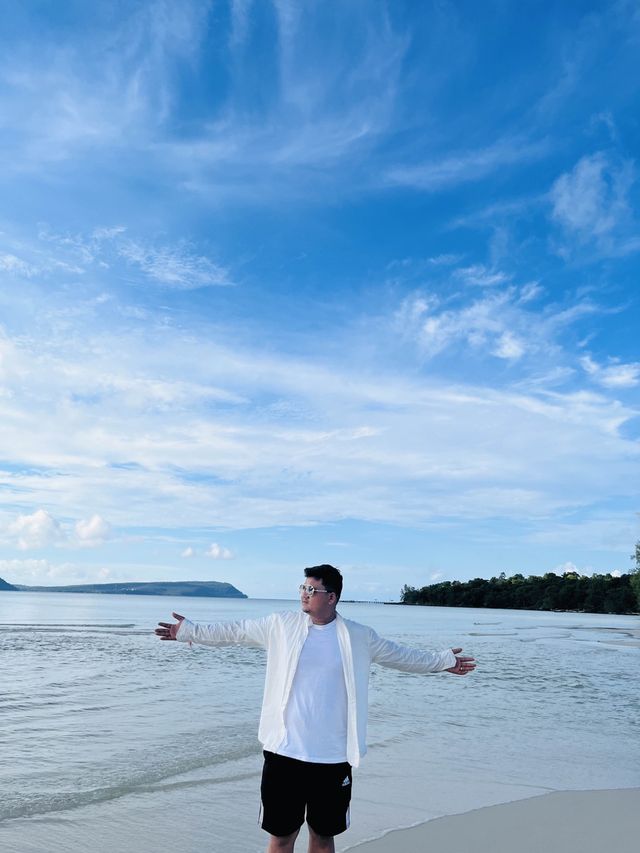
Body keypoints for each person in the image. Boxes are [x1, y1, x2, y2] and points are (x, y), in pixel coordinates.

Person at [156, 564, 475, 853]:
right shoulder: (280, 625)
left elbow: (401, 656)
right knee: (281, 838)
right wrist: (189, 631)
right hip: (284, 753)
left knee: (323, 839)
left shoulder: (358, 636)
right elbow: (235, 632)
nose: (304, 594)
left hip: (333, 757)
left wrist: (442, 662)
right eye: (303, 588)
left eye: (312, 590)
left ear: (332, 597)